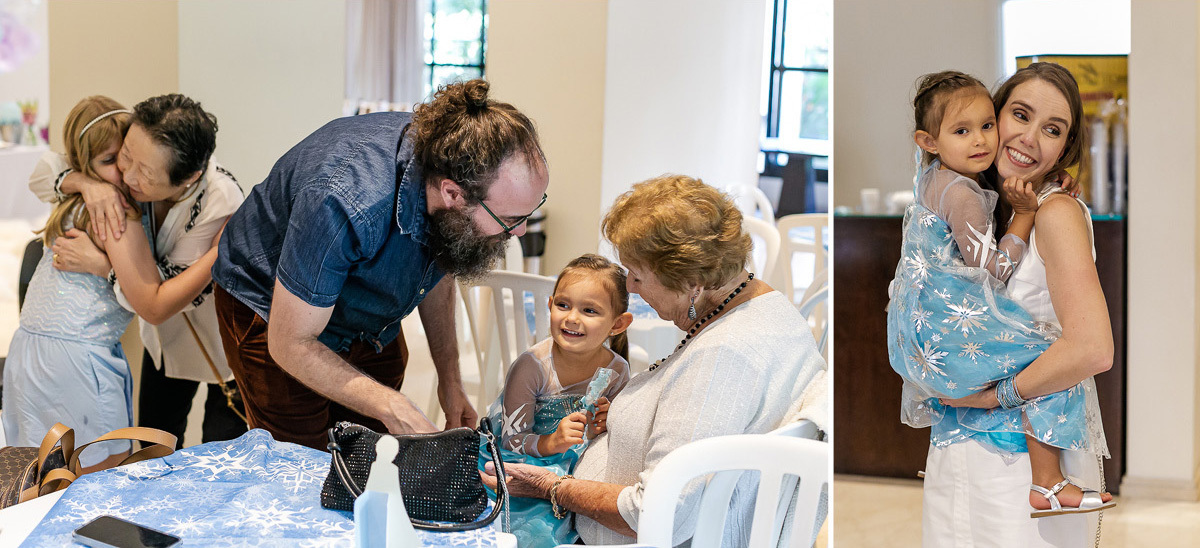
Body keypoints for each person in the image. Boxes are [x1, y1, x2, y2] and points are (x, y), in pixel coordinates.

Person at [481, 175, 827, 546]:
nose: (629, 286)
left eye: (638, 276)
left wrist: (553, 487)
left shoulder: (723, 358)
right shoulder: (768, 306)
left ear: (691, 280)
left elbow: (662, 512)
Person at [210, 79, 550, 449]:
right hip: (271, 307)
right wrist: (390, 404)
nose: (519, 233)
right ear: (452, 193)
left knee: (370, 449)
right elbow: (290, 343)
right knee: (301, 458)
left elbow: (437, 268)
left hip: (362, 313)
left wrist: (449, 381)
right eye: (511, 218)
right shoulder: (344, 201)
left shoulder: (451, 170)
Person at [886, 70, 1112, 519]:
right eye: (1019, 115)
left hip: (1018, 462)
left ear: (1064, 149)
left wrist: (994, 396)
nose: (1028, 138)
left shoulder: (1052, 212)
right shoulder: (977, 197)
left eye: (1051, 130)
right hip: (962, 450)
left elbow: (1092, 349)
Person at [28, 94, 248, 449]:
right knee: (152, 445)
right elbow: (43, 173)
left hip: (222, 343)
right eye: (125, 156)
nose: (127, 176)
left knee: (218, 454)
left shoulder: (221, 199)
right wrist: (89, 184)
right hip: (164, 342)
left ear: (188, 178)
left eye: (143, 172)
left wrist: (103, 265)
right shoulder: (131, 164)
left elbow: (162, 298)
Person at [481, 253, 633, 548]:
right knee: (537, 528)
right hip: (524, 459)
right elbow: (510, 442)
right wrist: (552, 443)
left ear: (618, 324)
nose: (572, 318)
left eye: (589, 310)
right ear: (550, 305)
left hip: (582, 464)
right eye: (563, 305)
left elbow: (608, 435)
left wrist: (606, 420)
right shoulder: (532, 366)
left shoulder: (617, 371)